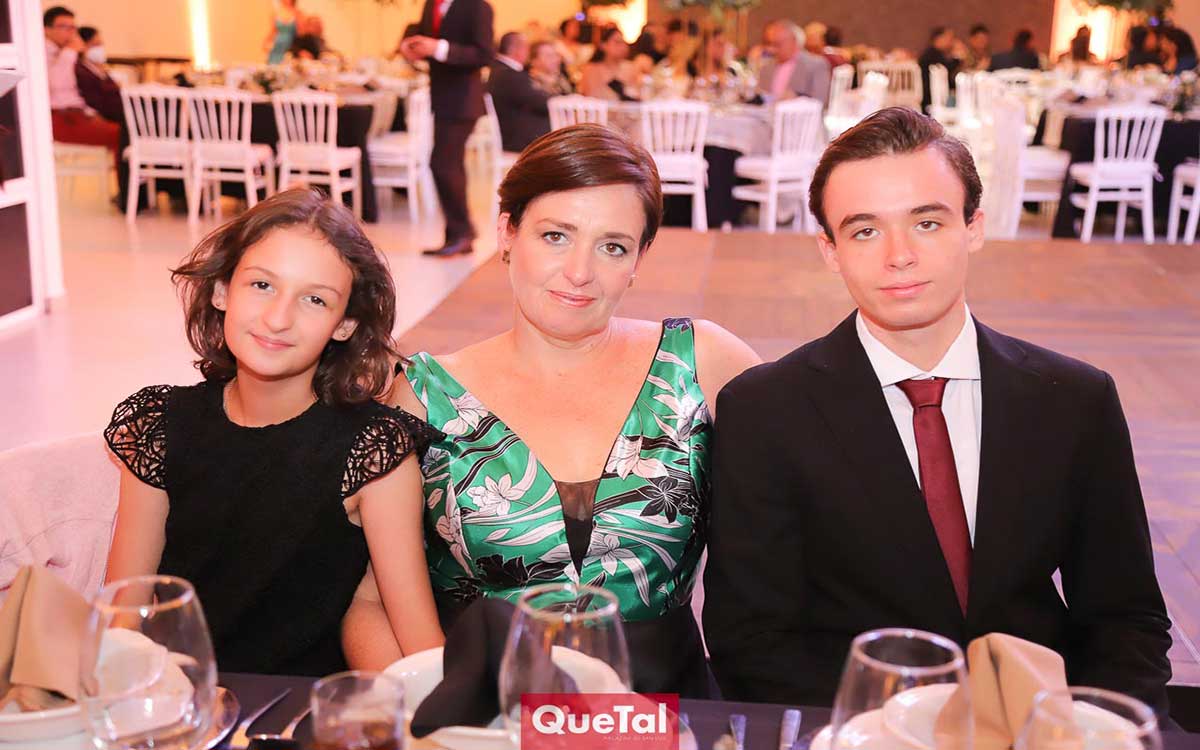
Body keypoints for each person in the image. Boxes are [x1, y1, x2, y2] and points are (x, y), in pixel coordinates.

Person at [703, 107, 1173, 711]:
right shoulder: (766, 411)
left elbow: (1125, 618)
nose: (899, 255)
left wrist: (1098, 729)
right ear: (830, 250)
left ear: (974, 226)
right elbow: (751, 641)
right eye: (865, 231)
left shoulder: (1075, 400)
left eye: (927, 223)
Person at [342, 124, 762, 697]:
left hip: (662, 715)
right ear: (506, 233)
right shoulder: (422, 395)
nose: (580, 272)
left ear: (639, 259)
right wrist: (426, 713)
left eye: (612, 246)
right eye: (556, 236)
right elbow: (370, 603)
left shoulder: (700, 363)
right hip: (485, 714)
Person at [102, 188, 445, 675]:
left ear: (345, 324)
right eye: (262, 285)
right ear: (222, 290)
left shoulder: (374, 450)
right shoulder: (160, 425)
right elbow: (123, 620)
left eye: (314, 300)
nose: (278, 319)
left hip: (309, 706)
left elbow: (420, 643)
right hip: (181, 698)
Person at [400, 0, 495, 257]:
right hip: (441, 98)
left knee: (442, 164)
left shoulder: (478, 6)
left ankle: (461, 232)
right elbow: (424, 37)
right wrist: (413, 48)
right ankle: (460, 233)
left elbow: (484, 54)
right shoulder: (432, 3)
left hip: (464, 100)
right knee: (450, 165)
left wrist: (439, 48)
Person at [43, 8, 120, 170]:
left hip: (78, 115)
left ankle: (133, 183)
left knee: (125, 130)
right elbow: (56, 85)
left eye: (73, 27)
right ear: (46, 29)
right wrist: (70, 52)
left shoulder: (65, 53)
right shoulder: (42, 53)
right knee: (121, 134)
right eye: (64, 27)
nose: (70, 33)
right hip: (60, 119)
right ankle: (131, 185)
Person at [488, 32, 551, 153]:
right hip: (517, 139)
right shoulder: (509, 75)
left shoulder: (497, 69)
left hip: (508, 133)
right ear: (517, 49)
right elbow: (541, 103)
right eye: (527, 48)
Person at [756, 19, 831, 106]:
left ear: (793, 41)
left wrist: (797, 97)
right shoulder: (767, 66)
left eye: (777, 44)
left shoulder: (816, 64)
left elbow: (821, 100)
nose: (771, 49)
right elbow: (761, 96)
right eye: (769, 43)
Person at [74, 26, 122, 125]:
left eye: (101, 44)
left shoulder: (99, 70)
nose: (100, 49)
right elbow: (95, 101)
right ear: (82, 46)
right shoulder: (81, 71)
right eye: (95, 45)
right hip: (109, 116)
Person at [580, 27, 639, 101]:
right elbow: (589, 96)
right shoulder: (591, 69)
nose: (622, 47)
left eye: (624, 43)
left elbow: (635, 94)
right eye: (617, 42)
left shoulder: (630, 68)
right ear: (603, 45)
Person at [918, 26, 960, 112]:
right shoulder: (931, 54)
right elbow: (946, 69)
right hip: (930, 99)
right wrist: (958, 58)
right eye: (950, 38)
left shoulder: (936, 53)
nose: (952, 42)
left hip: (935, 97)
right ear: (939, 38)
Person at [264, 0, 301, 65]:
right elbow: (273, 31)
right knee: (274, 63)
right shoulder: (276, 13)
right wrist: (266, 41)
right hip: (278, 42)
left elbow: (300, 32)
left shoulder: (297, 13)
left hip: (291, 43)